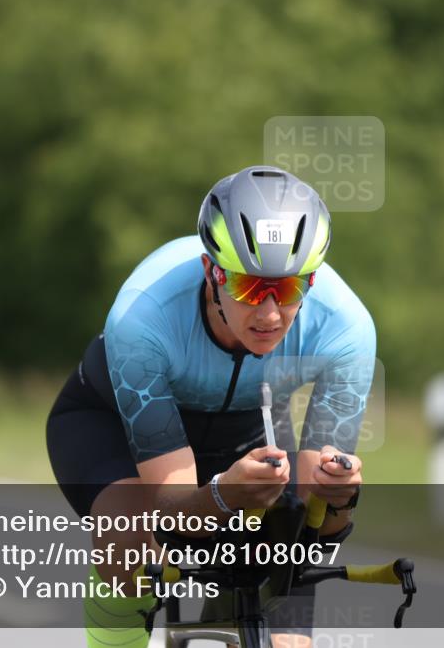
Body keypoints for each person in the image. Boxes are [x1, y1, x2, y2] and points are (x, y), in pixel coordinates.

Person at [47, 165, 376, 648]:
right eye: (248, 287)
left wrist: (340, 499)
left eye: (287, 289)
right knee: (133, 542)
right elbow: (172, 509)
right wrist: (224, 496)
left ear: (312, 279)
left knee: (286, 617)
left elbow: (316, 525)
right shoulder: (142, 318)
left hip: (244, 425)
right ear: (211, 271)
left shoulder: (345, 329)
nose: (268, 314)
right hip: (110, 421)